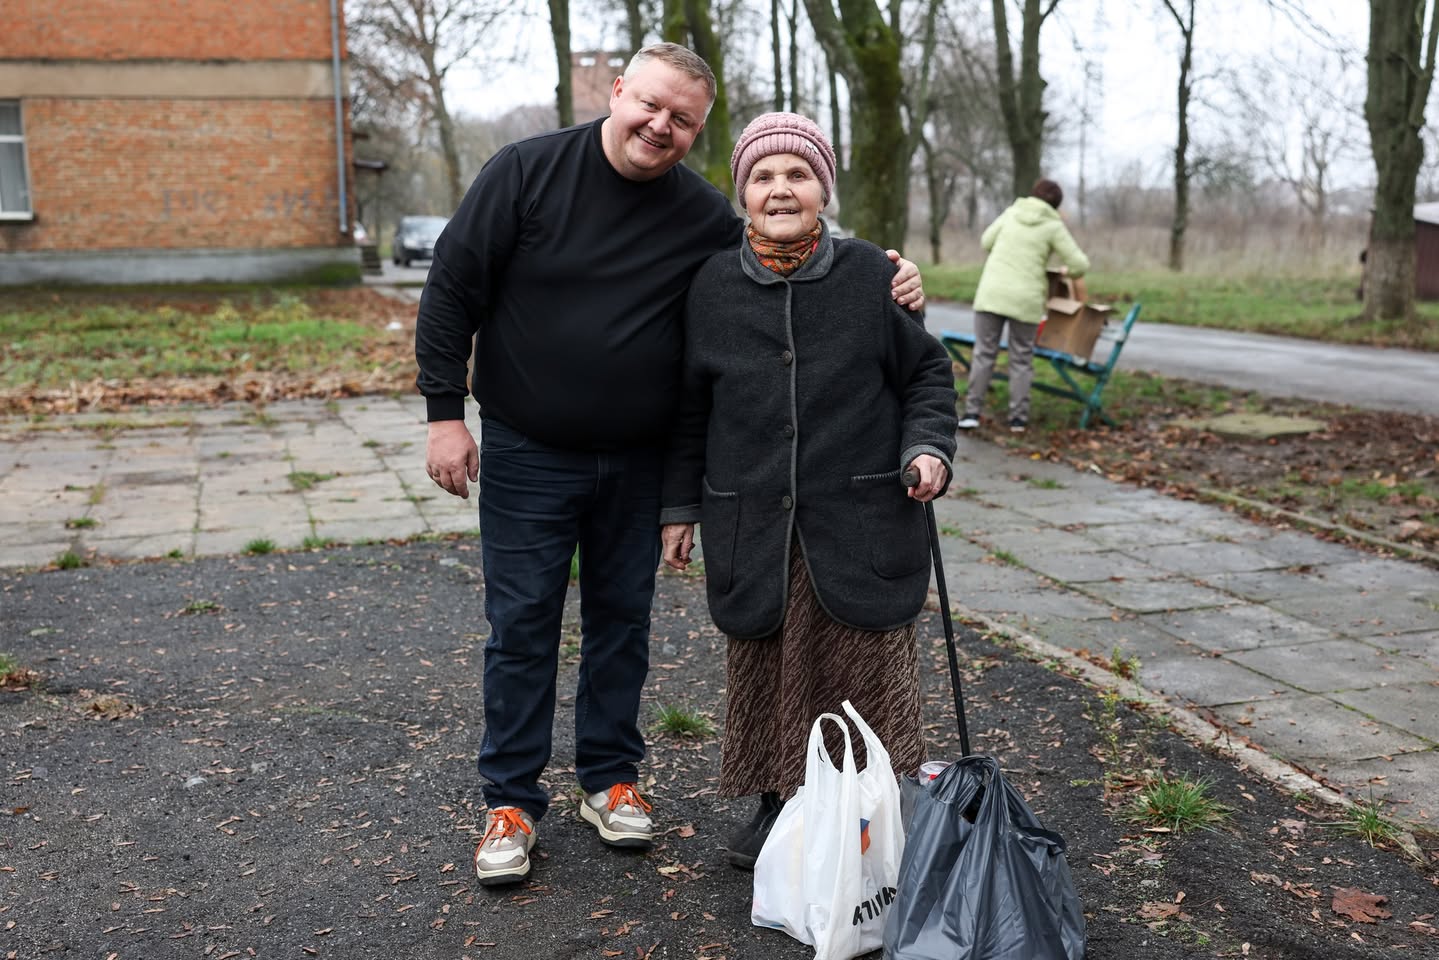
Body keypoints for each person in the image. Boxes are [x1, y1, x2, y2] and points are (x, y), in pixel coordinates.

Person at [413, 44, 926, 887]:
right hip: (528, 449)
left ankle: (610, 780)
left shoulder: (696, 214)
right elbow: (451, 290)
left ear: (696, 131)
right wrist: (443, 416)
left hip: (638, 457)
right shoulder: (525, 173)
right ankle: (510, 800)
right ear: (618, 93)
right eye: (649, 105)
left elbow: (782, 241)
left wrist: (886, 272)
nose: (660, 126)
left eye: (681, 119)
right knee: (522, 626)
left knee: (623, 624)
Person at [658, 113, 957, 870]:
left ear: (823, 188)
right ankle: (775, 804)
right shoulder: (712, 286)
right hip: (750, 517)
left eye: (797, 174)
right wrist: (678, 508)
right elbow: (689, 410)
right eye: (762, 176)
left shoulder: (871, 275)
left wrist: (927, 449)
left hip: (858, 512)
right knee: (766, 665)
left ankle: (867, 818)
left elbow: (925, 374)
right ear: (743, 194)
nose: (779, 189)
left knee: (858, 666)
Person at [960, 178, 1090, 433]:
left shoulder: (1012, 213)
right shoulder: (1053, 225)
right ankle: (1017, 419)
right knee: (1021, 358)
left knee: (984, 353)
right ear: (1056, 204)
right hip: (1026, 299)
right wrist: (1064, 270)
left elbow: (987, 241)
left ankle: (972, 413)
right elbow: (1080, 265)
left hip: (992, 293)